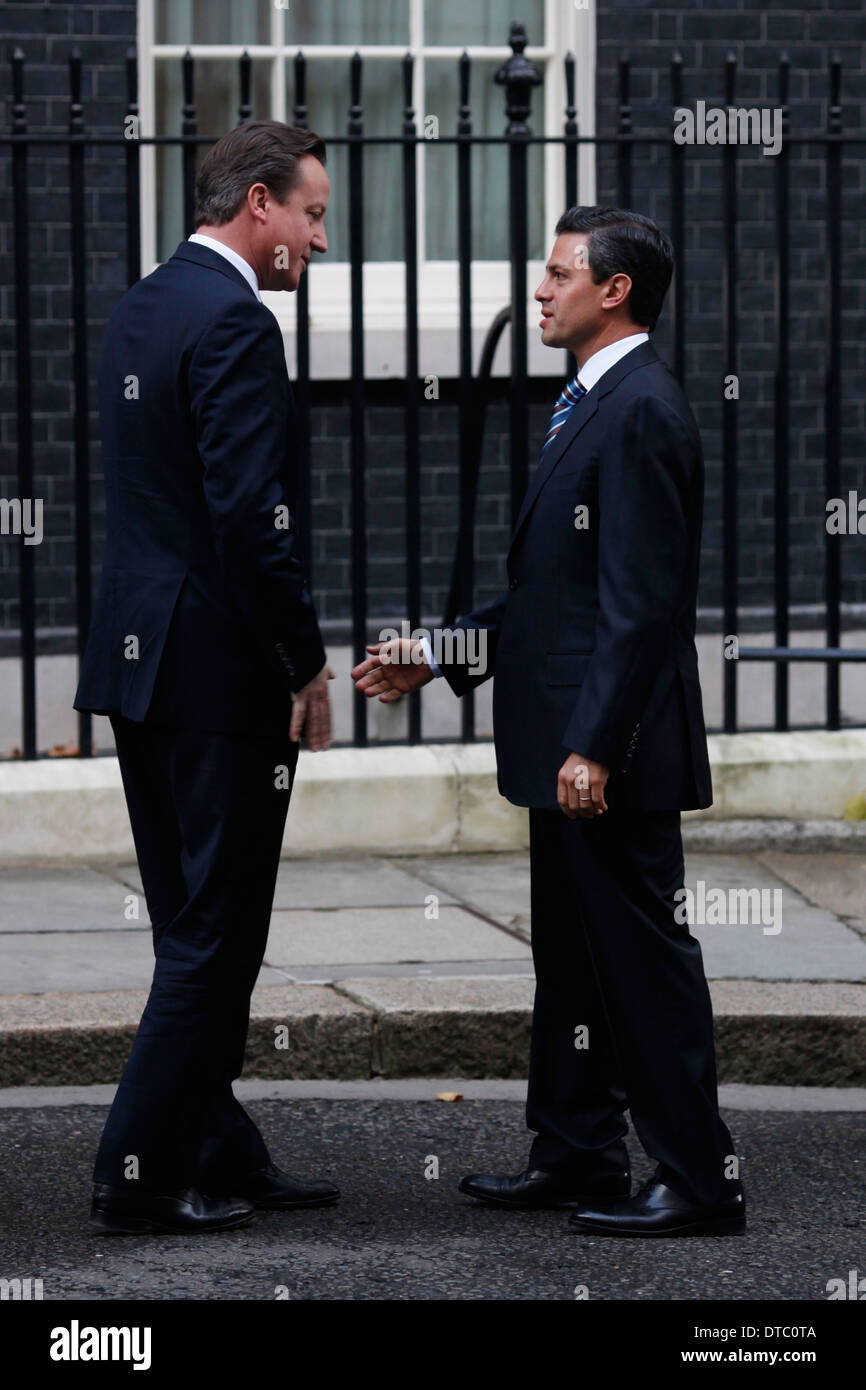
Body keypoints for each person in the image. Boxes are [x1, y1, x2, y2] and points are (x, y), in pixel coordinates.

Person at [352, 207, 746, 1238]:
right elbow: (552, 605)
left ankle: (699, 1180)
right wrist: (436, 651)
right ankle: (575, 1153)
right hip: (565, 744)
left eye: (557, 271)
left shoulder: (642, 411)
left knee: (640, 960)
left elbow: (638, 602)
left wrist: (593, 743)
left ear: (611, 290)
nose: (538, 287)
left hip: (603, 754)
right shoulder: (589, 405)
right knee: (573, 961)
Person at [75, 121, 339, 1234]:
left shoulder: (144, 303)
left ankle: (217, 1145)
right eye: (312, 213)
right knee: (211, 931)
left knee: (189, 918)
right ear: (259, 205)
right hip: (216, 673)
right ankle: (136, 1173)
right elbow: (247, 517)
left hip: (140, 660)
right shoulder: (235, 317)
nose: (319, 241)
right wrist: (305, 662)